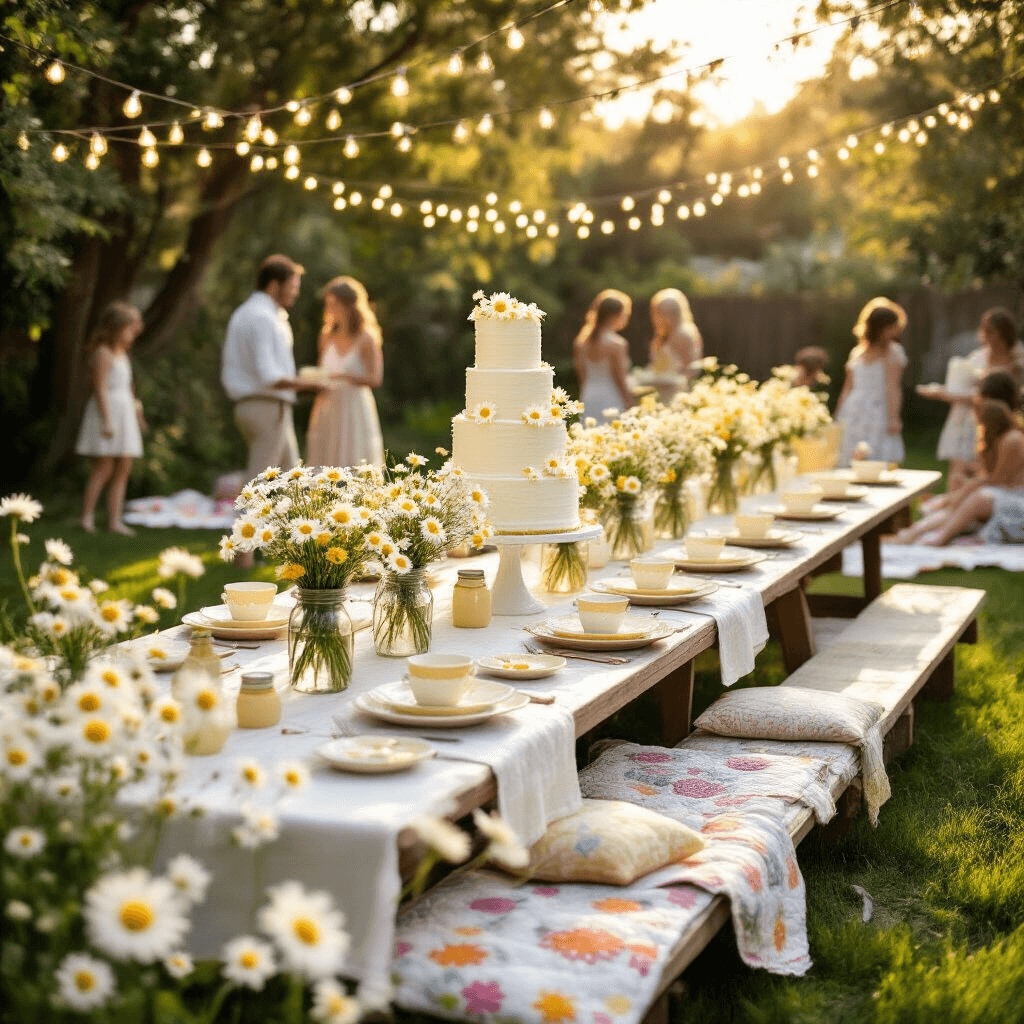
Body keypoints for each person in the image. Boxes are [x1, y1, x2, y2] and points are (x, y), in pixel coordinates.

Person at [220, 254, 326, 482]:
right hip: (266, 407)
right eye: (292, 287)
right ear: (274, 285)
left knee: (293, 478)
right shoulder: (263, 317)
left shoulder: (247, 312)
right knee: (260, 483)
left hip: (260, 406)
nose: (295, 293)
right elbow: (269, 376)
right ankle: (242, 508)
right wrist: (310, 384)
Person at [918, 307, 1024, 491]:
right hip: (970, 418)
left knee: (990, 472)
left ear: (1003, 332)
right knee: (959, 471)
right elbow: (961, 386)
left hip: (999, 420)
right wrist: (943, 392)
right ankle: (954, 499)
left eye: (991, 331)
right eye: (985, 330)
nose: (986, 335)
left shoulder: (1017, 358)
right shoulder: (978, 357)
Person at [894, 399, 1024, 545]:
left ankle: (940, 537)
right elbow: (987, 475)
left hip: (1018, 498)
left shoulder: (1012, 439)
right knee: (961, 496)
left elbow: (998, 480)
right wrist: (964, 487)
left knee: (976, 498)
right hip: (1007, 495)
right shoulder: (1000, 439)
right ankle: (914, 533)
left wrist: (964, 491)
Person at [76, 302, 146, 535]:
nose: (133, 335)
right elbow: (100, 389)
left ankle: (114, 521)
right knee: (104, 467)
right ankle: (86, 517)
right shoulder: (102, 353)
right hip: (108, 414)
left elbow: (128, 388)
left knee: (124, 467)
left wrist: (137, 413)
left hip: (124, 413)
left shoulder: (123, 354)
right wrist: (107, 420)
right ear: (116, 328)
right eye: (129, 330)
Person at [305, 276, 385, 468]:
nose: (329, 308)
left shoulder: (366, 338)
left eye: (334, 303)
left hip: (354, 408)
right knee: (324, 461)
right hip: (327, 406)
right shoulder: (326, 335)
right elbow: (322, 372)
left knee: (354, 460)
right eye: (328, 304)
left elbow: (375, 379)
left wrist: (343, 377)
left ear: (349, 305)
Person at [834, 298, 908, 467]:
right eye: (892, 327)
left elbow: (892, 388)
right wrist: (838, 415)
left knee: (877, 456)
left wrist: (893, 418)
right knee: (849, 454)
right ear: (881, 328)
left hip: (878, 410)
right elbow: (847, 388)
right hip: (854, 410)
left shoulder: (893, 353)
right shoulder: (857, 353)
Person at [573, 289, 634, 424]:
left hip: (588, 395)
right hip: (611, 396)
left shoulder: (581, 342)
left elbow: (582, 376)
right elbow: (619, 379)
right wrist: (629, 401)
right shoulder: (617, 344)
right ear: (615, 315)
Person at [648, 288, 703, 397]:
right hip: (659, 390)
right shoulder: (661, 335)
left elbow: (692, 368)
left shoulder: (683, 334)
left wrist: (674, 381)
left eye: (666, 313)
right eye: (659, 313)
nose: (660, 318)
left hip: (677, 393)